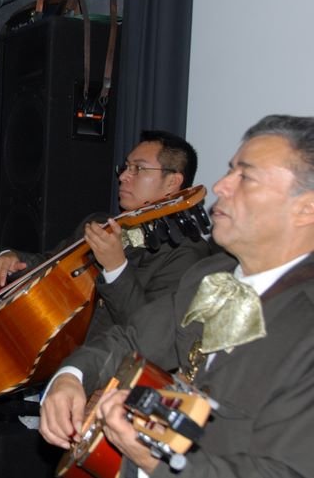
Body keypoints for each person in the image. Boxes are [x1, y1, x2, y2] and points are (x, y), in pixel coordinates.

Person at [41, 115, 314, 477]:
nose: (220, 185)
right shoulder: (211, 274)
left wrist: (155, 461)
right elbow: (130, 338)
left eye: (245, 177)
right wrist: (70, 377)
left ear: (305, 208)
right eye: (230, 171)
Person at [0, 130, 211, 340]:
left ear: (172, 182)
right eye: (126, 167)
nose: (123, 176)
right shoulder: (101, 224)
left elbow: (152, 335)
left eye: (138, 169)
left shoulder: (186, 253)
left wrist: (116, 268)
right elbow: (53, 264)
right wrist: (11, 259)